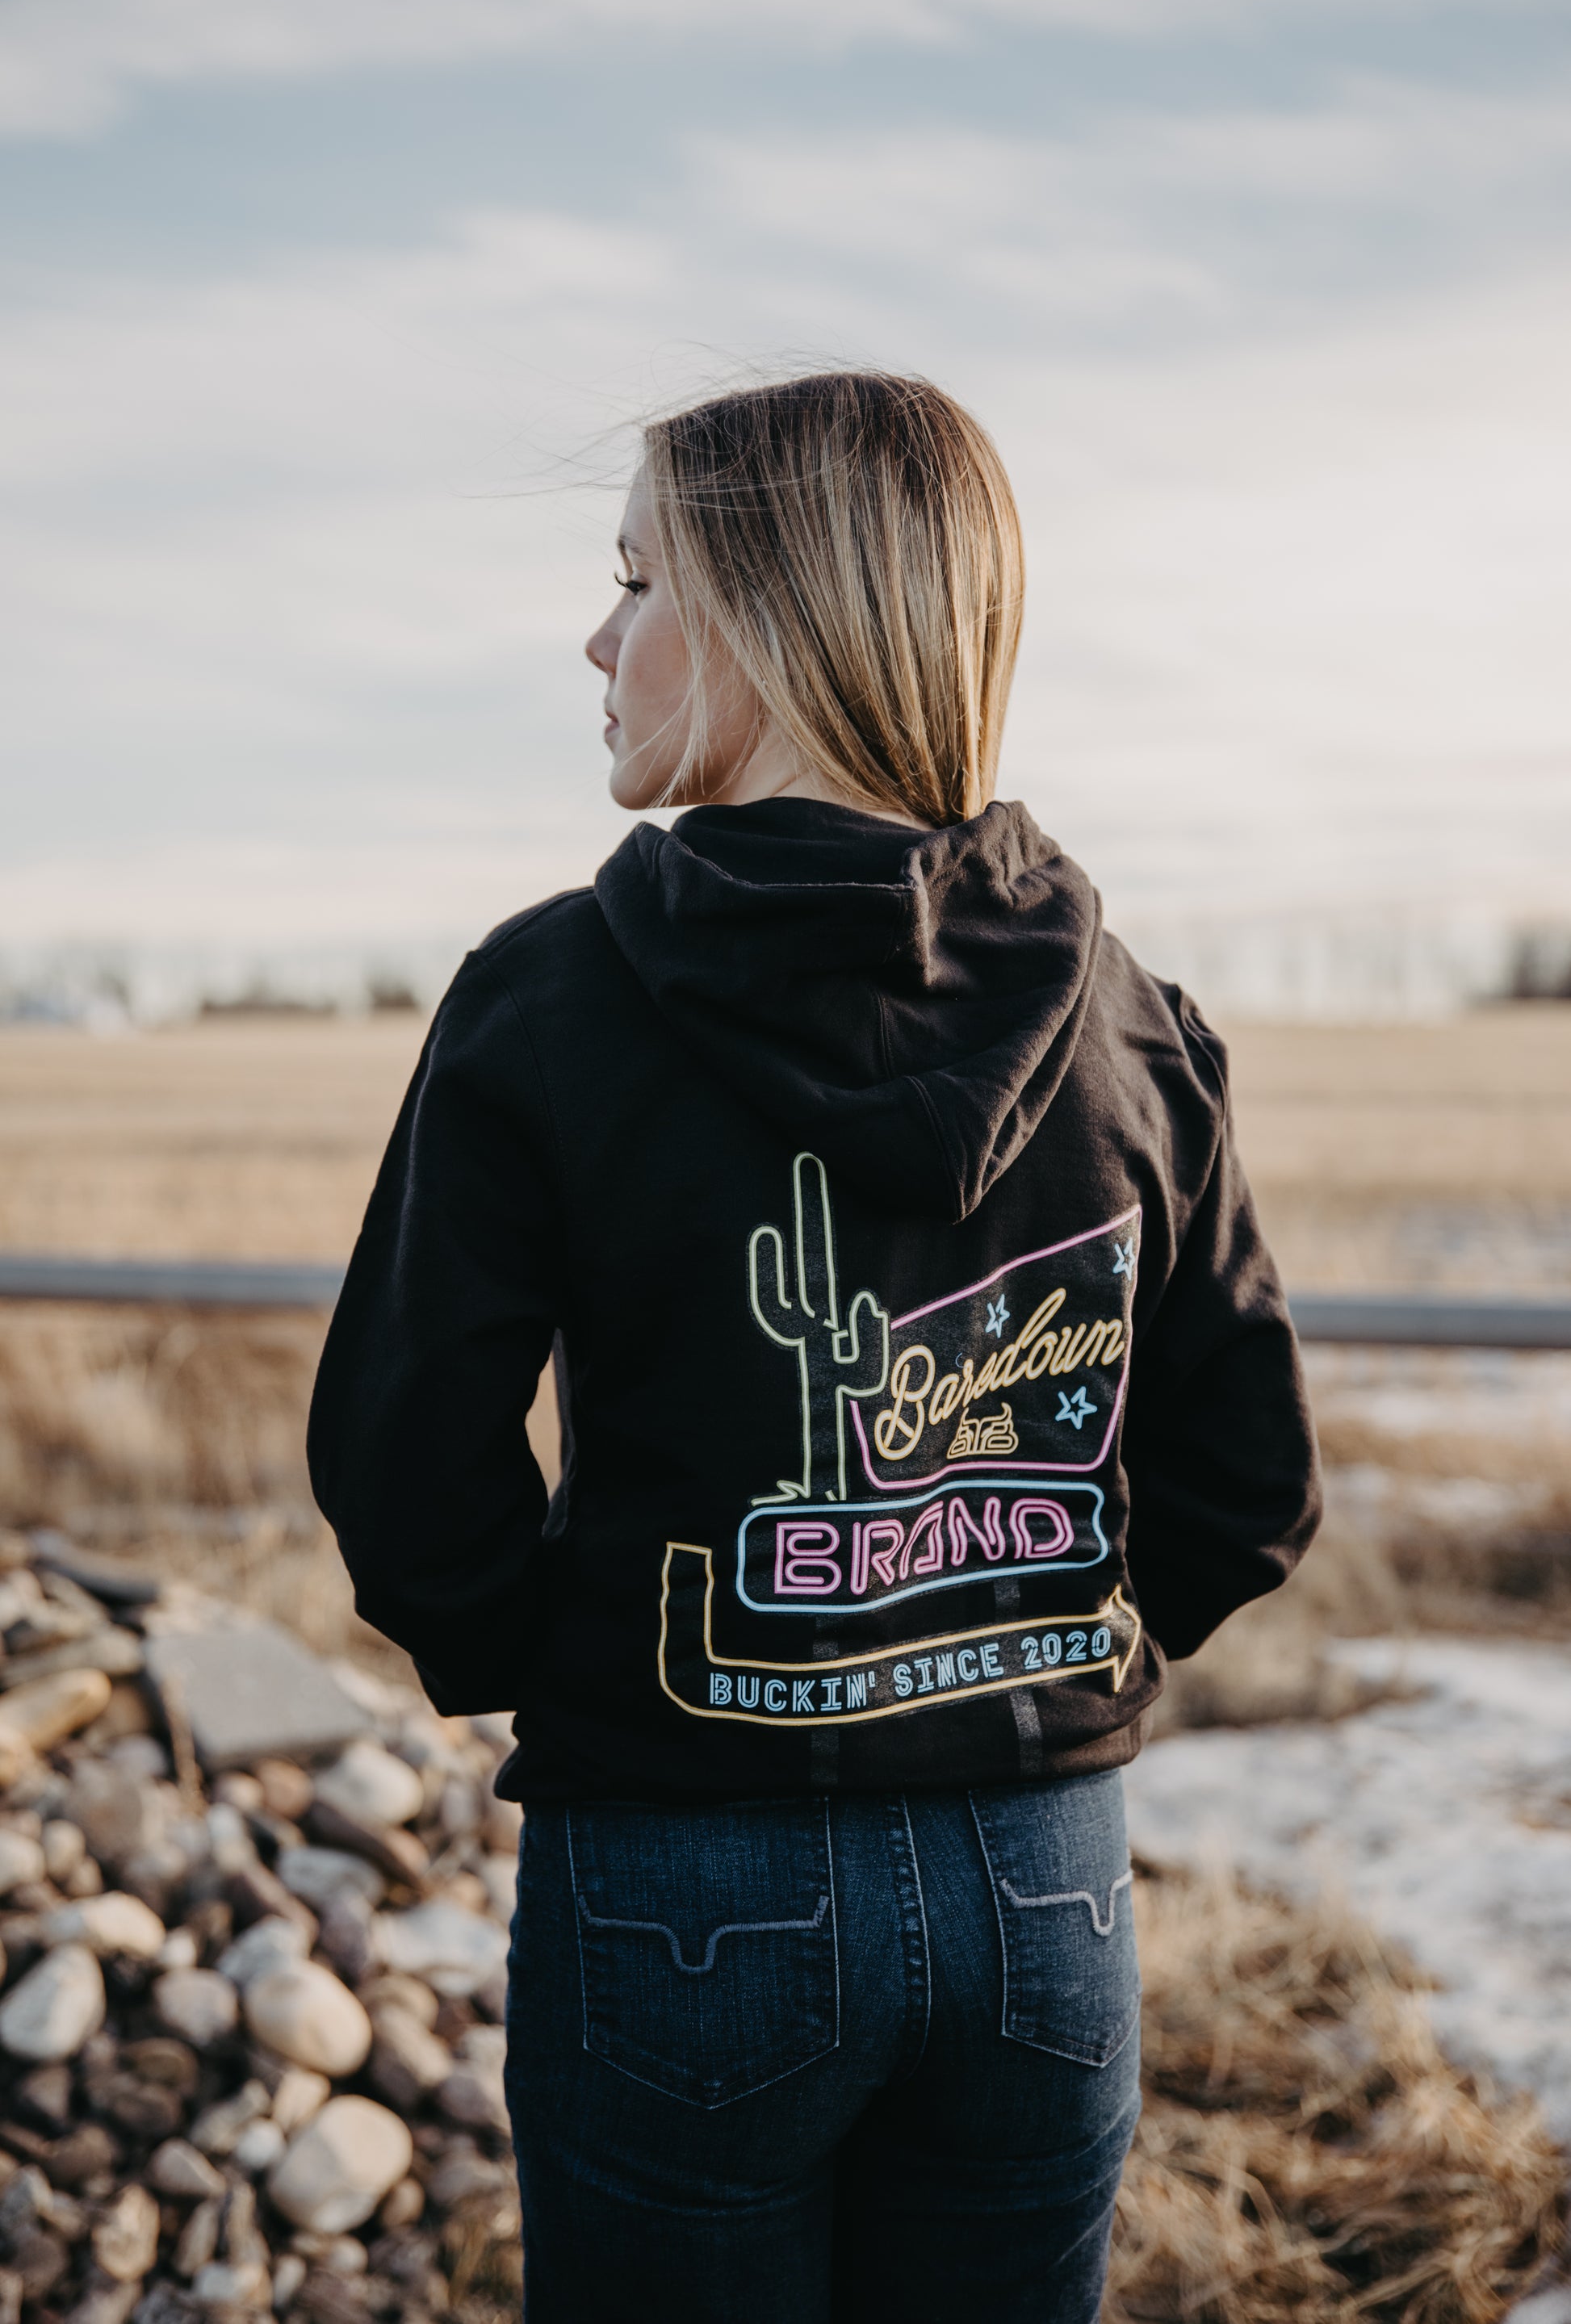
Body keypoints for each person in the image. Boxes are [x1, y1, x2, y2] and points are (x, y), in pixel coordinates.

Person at [308, 370, 1321, 2322]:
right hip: (1043, 1879)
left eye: (635, 580)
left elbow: (403, 1457)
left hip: (681, 1877)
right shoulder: (1131, 1022)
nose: (595, 639)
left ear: (776, 621)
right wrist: (1046, 1657)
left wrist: (566, 1668)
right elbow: (1247, 1479)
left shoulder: (544, 997)